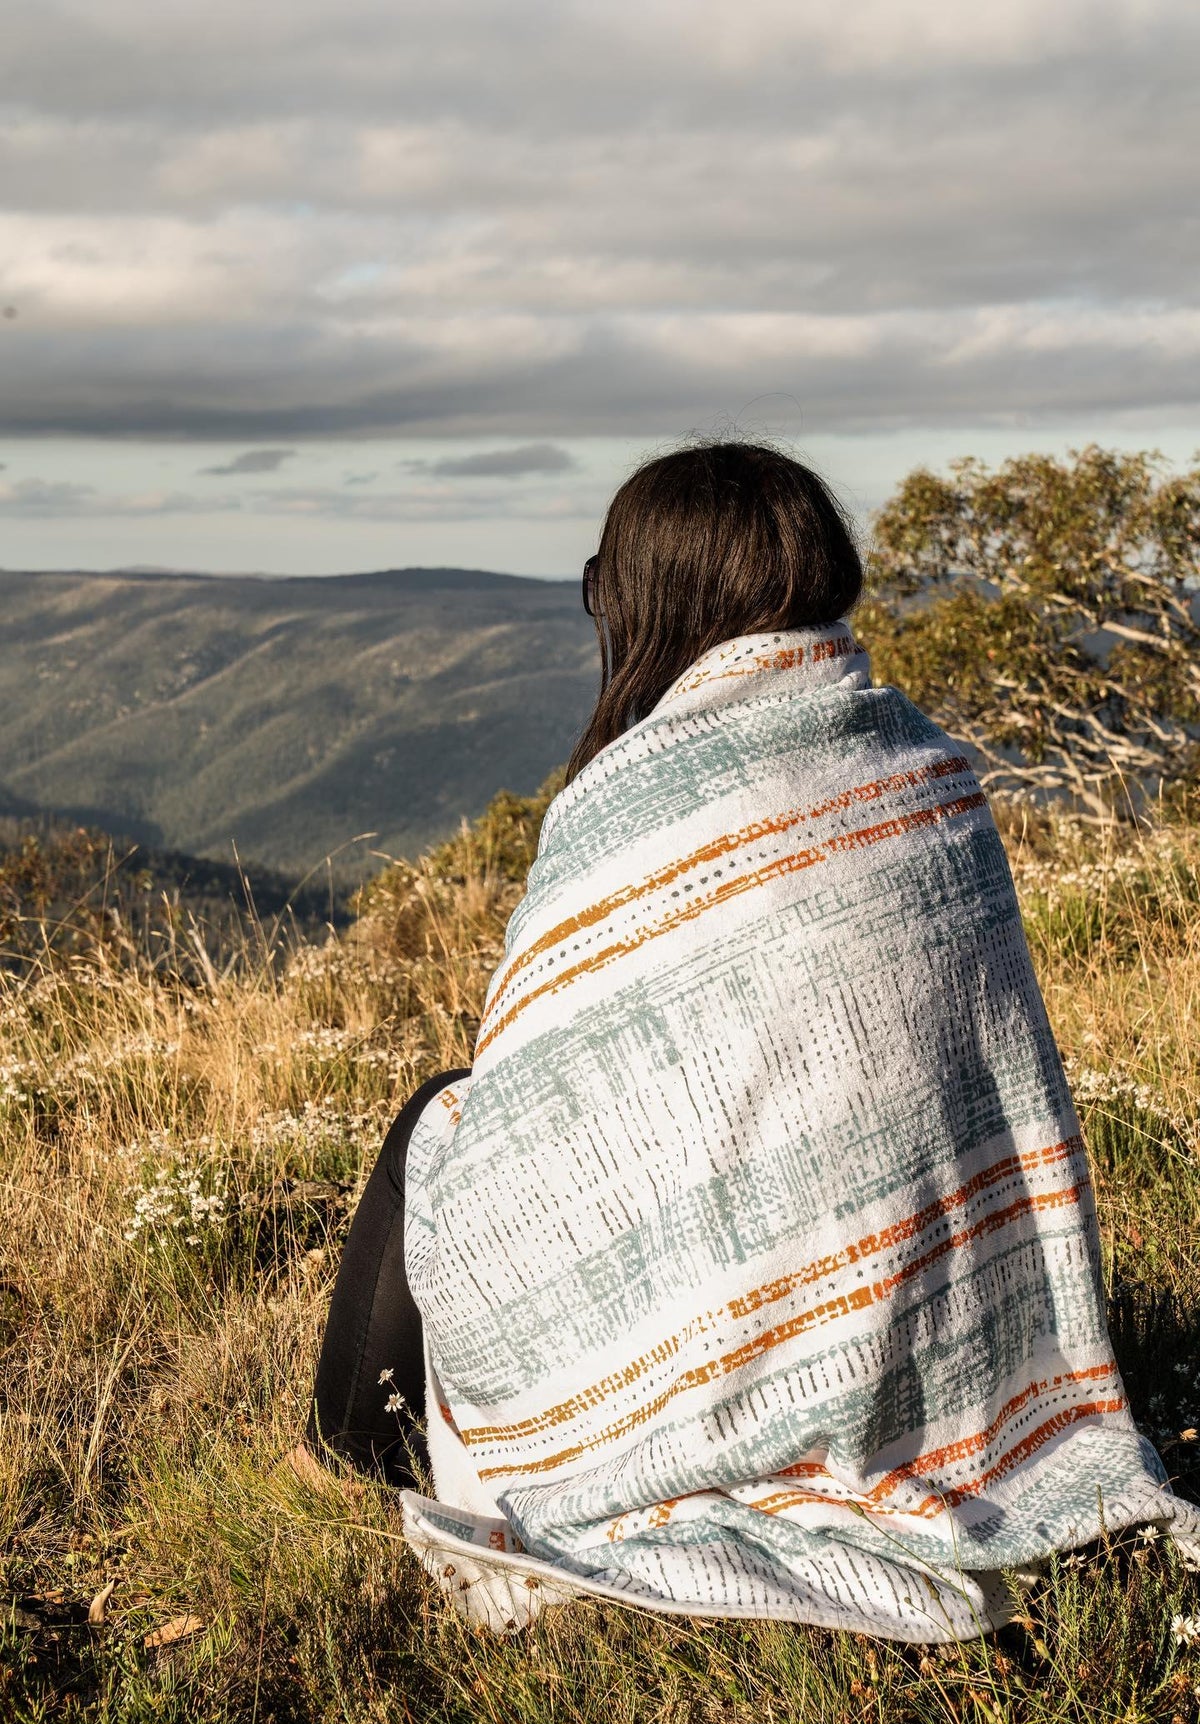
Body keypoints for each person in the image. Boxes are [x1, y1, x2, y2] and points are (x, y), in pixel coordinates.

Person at [303, 440, 1200, 1641]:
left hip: (744, 1336)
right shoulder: (923, 771)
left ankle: (340, 1458)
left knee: (444, 1123)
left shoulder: (634, 803)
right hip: (939, 1338)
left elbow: (529, 1104)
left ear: (653, 600)